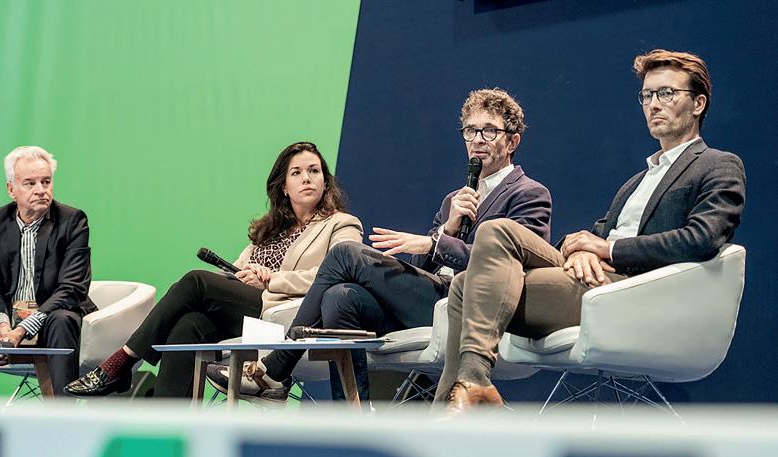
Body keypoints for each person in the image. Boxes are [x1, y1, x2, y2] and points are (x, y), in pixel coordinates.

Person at [436, 49, 746, 414]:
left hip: (635, 291)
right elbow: (596, 234)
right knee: (478, 260)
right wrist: (581, 248)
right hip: (593, 277)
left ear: (698, 103)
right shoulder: (636, 182)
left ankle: (472, 387)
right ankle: (457, 407)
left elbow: (702, 239)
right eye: (647, 95)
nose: (653, 104)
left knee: (476, 266)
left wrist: (608, 251)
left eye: (666, 93)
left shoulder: (717, 165)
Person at [206, 88, 552, 405]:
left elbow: (515, 265)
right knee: (339, 297)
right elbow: (425, 266)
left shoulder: (529, 194)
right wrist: (446, 229)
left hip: (472, 307)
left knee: (345, 253)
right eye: (470, 131)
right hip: (431, 299)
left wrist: (436, 242)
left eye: (489, 131)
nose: (477, 140)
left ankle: (276, 367)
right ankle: (351, 416)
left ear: (512, 141)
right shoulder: (454, 199)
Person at [64, 141, 363, 398]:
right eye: (296, 173)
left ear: (325, 181)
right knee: (188, 325)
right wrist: (240, 275)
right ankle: (168, 428)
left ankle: (121, 362)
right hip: (249, 313)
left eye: (314, 171)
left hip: (288, 317)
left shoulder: (341, 224)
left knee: (196, 281)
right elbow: (237, 273)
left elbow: (337, 273)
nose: (307, 178)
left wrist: (271, 279)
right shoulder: (270, 230)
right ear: (283, 187)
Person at [0, 146, 96, 396]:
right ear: (11, 189)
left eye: (46, 181)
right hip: (8, 316)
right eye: (30, 183)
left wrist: (21, 330)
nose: (41, 190)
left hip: (50, 315)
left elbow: (72, 289)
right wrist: (4, 327)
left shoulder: (73, 220)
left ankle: (63, 413)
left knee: (63, 320)